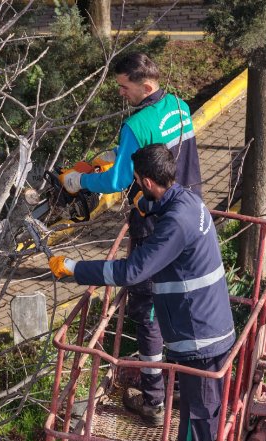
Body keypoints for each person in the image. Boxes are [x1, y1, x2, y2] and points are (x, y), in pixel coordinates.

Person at [50, 144, 233, 441]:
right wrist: (148, 205)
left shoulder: (175, 224)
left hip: (199, 340)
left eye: (136, 181)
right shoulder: (188, 200)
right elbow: (164, 210)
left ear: (148, 182)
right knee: (203, 413)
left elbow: (133, 270)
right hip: (210, 324)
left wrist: (75, 268)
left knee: (198, 429)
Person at [58, 52, 202, 422]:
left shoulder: (136, 123)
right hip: (191, 214)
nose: (121, 93)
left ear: (146, 85)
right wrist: (109, 155)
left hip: (154, 223)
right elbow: (151, 153)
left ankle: (154, 400)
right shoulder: (180, 107)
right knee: (184, 300)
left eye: (125, 86)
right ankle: (191, 386)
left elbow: (118, 180)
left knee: (149, 311)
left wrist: (80, 179)